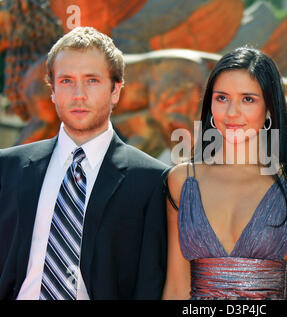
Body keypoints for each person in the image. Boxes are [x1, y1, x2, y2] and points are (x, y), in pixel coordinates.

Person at [0, 27, 168, 300]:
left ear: (115, 90)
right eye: (66, 81)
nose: (78, 94)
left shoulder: (151, 180)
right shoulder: (8, 168)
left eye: (92, 81)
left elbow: (148, 283)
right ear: (52, 91)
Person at [162, 47, 287, 300]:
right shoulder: (181, 181)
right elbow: (176, 288)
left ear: (269, 109)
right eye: (222, 98)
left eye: (248, 99)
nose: (232, 113)